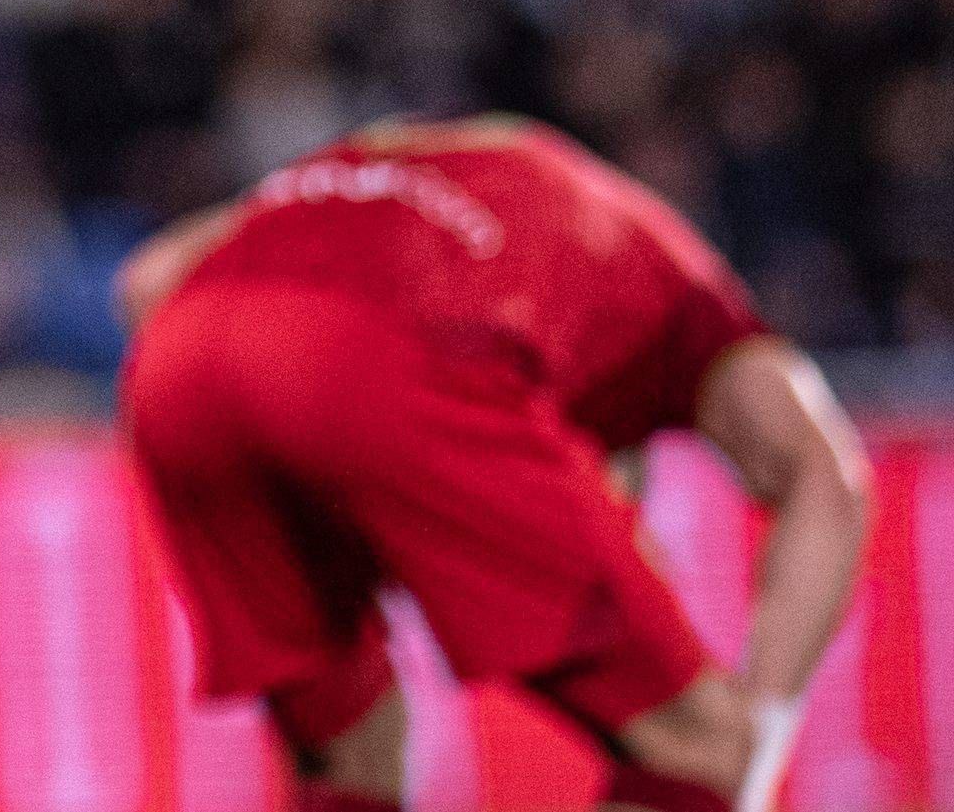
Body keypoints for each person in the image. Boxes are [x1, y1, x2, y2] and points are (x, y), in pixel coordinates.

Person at [116, 115, 871, 812]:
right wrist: (759, 735)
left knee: (349, 759)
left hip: (179, 363)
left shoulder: (403, 168)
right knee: (701, 750)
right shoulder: (688, 293)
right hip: (393, 358)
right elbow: (829, 479)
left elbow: (148, 279)